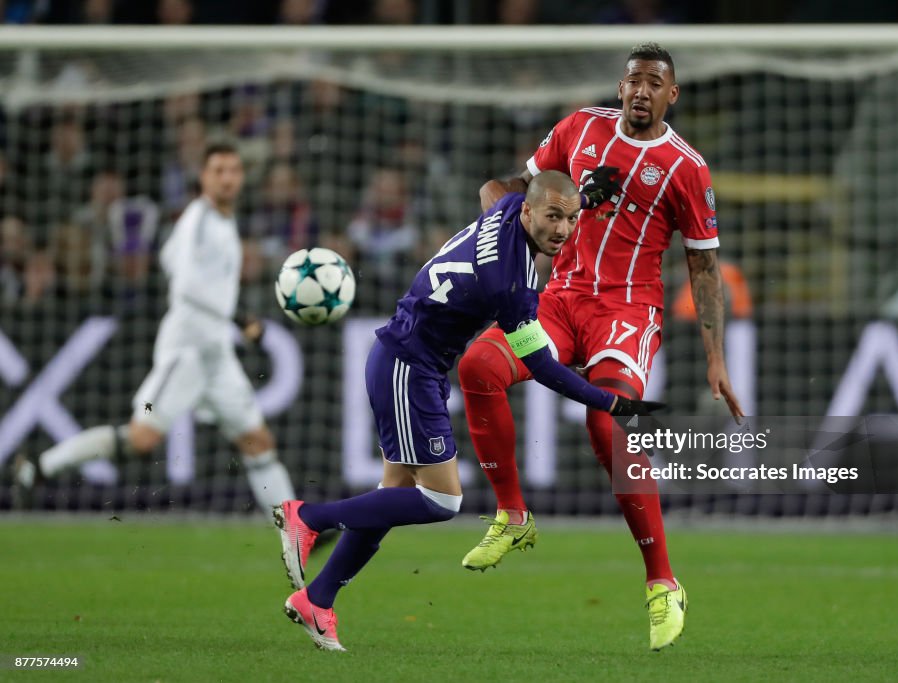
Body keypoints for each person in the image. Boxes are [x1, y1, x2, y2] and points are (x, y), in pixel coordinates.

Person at [272, 170, 663, 652]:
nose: (562, 230)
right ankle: (309, 516)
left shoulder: (503, 210)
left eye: (570, 218)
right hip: (408, 366)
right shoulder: (511, 287)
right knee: (441, 501)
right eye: (552, 217)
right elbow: (541, 366)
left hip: (414, 363)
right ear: (528, 211)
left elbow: (493, 189)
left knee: (392, 493)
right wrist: (612, 401)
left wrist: (582, 196)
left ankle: (318, 598)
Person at [457, 42, 745, 651]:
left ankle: (662, 582)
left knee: (605, 422)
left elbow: (704, 268)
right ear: (621, 88)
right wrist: (499, 207)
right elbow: (517, 193)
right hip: (558, 301)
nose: (642, 90)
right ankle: (513, 514)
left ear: (673, 95)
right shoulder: (577, 129)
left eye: (655, 83)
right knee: (479, 364)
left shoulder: (685, 167)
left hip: (626, 310)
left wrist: (715, 358)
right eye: (634, 80)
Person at [13, 142, 297, 521]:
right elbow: (184, 286)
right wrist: (241, 317)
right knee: (142, 435)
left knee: (258, 441)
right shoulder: (200, 220)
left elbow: (166, 257)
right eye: (218, 171)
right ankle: (38, 468)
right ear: (204, 177)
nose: (227, 178)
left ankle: (298, 527)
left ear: (242, 177)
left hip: (217, 358)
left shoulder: (218, 221)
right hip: (187, 352)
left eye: (233, 170)